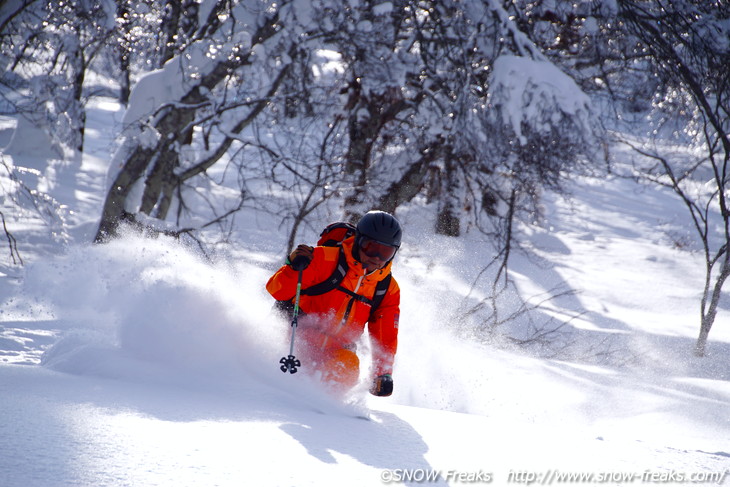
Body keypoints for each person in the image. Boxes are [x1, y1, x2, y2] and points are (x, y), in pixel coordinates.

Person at [266, 210, 402, 396]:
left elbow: (386, 335)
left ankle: (324, 408)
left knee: (349, 367)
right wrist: (293, 266)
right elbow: (277, 290)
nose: (376, 258)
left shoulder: (386, 288)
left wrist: (383, 374)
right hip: (293, 342)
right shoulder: (324, 258)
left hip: (335, 352)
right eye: (371, 247)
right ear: (358, 240)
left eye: (386, 252)